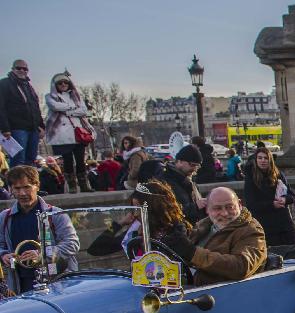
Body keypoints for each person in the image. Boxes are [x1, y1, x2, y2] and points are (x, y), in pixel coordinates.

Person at [160, 187, 267, 286]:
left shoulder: (250, 230)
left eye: (230, 207)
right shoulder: (204, 225)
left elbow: (241, 267)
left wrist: (192, 252)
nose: (225, 213)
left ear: (239, 204)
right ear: (207, 209)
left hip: (222, 294)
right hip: (190, 286)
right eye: (217, 208)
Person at [0, 165, 79, 293]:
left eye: (27, 187)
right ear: (11, 189)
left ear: (37, 186)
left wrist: (42, 254)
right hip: (21, 283)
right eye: (17, 188)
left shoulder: (55, 214)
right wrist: (3, 255)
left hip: (57, 281)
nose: (22, 193)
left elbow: (72, 243)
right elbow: (1, 245)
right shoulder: (5, 217)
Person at [87, 179, 192, 256]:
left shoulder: (177, 229)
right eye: (135, 208)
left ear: (154, 209)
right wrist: (119, 224)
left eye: (140, 208)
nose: (136, 214)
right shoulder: (136, 230)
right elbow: (95, 249)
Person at [44, 72, 94, 193]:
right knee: (67, 160)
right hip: (62, 134)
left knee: (81, 159)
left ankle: (84, 184)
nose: (63, 84)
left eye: (65, 82)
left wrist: (68, 111)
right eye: (60, 83)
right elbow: (55, 106)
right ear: (55, 85)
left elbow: (83, 110)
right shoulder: (49, 96)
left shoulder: (76, 96)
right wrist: (73, 108)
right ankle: (72, 185)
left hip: (77, 133)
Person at [243, 147, 295, 246]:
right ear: (256, 160)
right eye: (260, 158)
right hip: (265, 225)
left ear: (270, 160)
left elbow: (292, 196)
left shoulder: (278, 175)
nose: (263, 161)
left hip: (284, 224)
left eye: (266, 158)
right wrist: (272, 204)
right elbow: (251, 204)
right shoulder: (251, 178)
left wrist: (284, 199)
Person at [0, 60, 44, 167]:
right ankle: (16, 183)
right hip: (16, 128)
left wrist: (41, 126)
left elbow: (36, 107)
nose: (21, 70)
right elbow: (1, 107)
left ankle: (30, 183)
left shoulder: (29, 86)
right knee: (18, 159)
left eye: (24, 69)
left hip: (33, 129)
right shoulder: (4, 83)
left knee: (31, 159)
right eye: (18, 68)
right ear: (12, 69)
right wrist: (5, 128)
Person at [161, 144, 206, 224]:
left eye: (197, 166)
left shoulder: (188, 180)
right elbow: (169, 211)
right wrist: (196, 206)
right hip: (179, 231)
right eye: (192, 165)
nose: (195, 169)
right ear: (179, 161)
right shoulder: (166, 181)